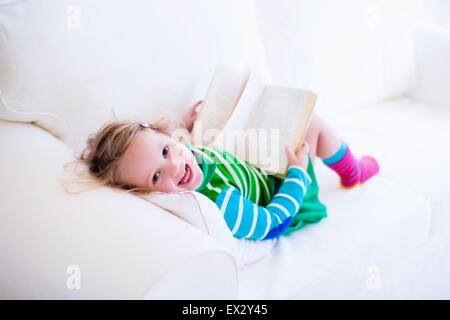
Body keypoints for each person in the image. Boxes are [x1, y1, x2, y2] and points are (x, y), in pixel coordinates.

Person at [75, 100, 379, 240]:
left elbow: (181, 152)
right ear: (145, 192)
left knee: (298, 113)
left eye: (166, 150)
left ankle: (347, 167)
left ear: (168, 136)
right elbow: (272, 223)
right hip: (285, 192)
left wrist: (191, 125)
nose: (174, 167)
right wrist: (298, 175)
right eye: (156, 177)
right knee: (314, 124)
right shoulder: (219, 204)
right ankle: (352, 172)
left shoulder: (186, 155)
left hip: (260, 163)